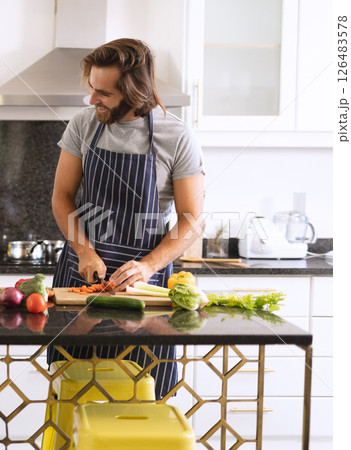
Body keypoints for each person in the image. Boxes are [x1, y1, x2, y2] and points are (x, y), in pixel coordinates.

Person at [47, 38, 204, 399]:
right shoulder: (84, 124)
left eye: (103, 93)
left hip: (143, 292)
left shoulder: (176, 136)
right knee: (73, 395)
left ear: (134, 92)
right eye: (91, 88)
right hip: (80, 282)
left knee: (145, 400)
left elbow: (192, 218)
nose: (92, 100)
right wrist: (85, 252)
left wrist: (147, 267)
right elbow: (62, 197)